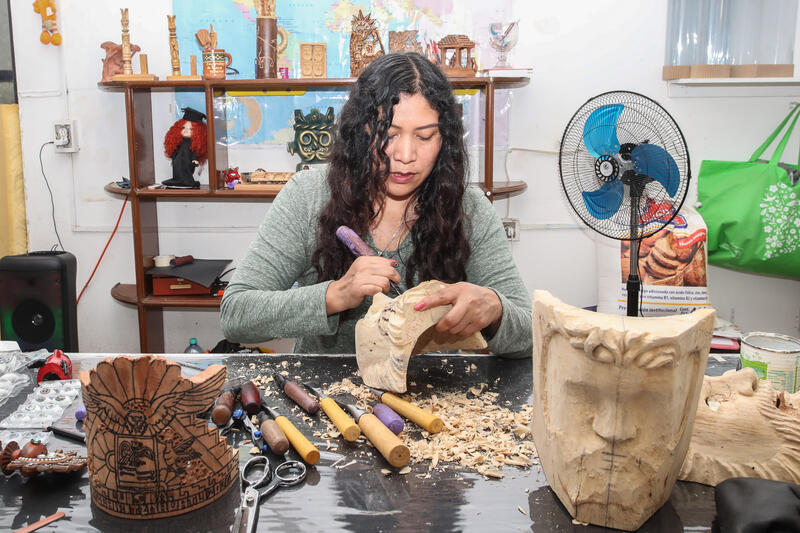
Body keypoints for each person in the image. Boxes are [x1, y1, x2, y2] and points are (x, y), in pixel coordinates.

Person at [220, 52, 531, 357]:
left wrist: (496, 309)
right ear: (360, 132)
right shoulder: (309, 196)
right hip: (328, 397)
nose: (405, 155)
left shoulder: (469, 207)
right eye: (389, 134)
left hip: (437, 398)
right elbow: (236, 316)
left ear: (444, 140)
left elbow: (530, 334)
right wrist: (335, 295)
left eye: (424, 137)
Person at [162, 107, 207, 188]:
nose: (186, 130)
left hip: (187, 160)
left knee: (186, 170)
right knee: (177, 168)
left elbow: (195, 150)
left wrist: (195, 159)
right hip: (178, 160)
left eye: (190, 129)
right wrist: (173, 156)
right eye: (184, 128)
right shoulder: (180, 141)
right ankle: (177, 179)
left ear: (198, 132)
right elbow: (175, 148)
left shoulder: (194, 143)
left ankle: (187, 181)